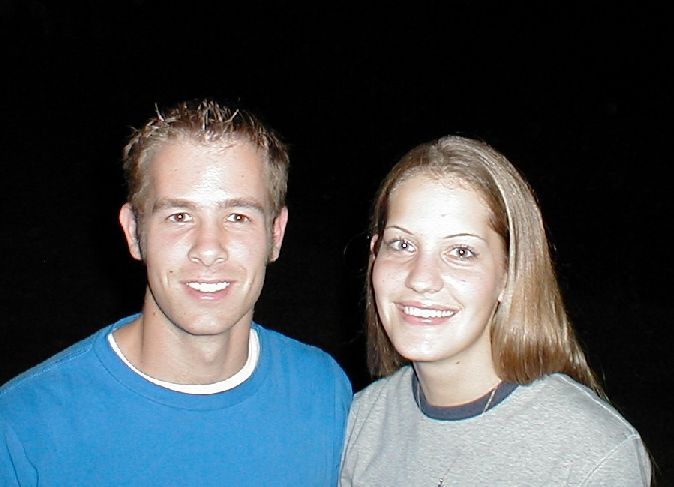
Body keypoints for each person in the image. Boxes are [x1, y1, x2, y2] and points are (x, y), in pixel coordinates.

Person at [0, 99, 352, 486]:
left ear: (276, 233)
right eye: (179, 216)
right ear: (134, 232)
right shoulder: (23, 427)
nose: (208, 248)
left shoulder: (323, 390)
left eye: (238, 217)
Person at [339, 135, 651, 486]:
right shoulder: (359, 423)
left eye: (461, 252)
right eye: (402, 244)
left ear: (509, 273)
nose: (421, 279)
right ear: (375, 255)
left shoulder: (590, 457)